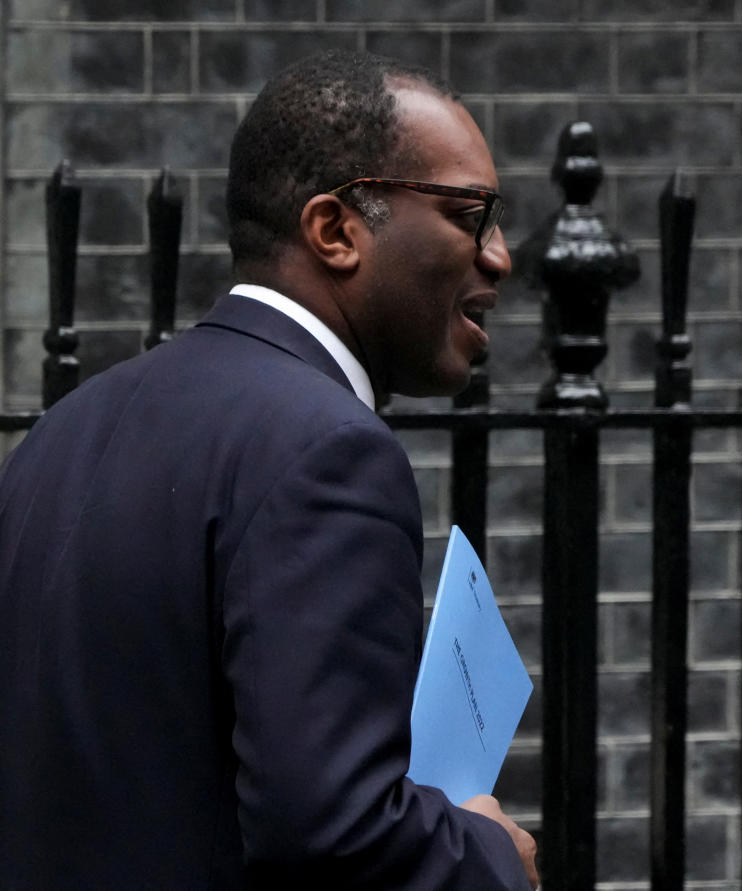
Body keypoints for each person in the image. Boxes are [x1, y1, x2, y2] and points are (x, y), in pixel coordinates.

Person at [0, 49, 537, 890]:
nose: (498, 255)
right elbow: (334, 832)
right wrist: (492, 853)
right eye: (470, 213)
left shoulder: (59, 434)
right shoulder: (329, 452)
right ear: (335, 231)